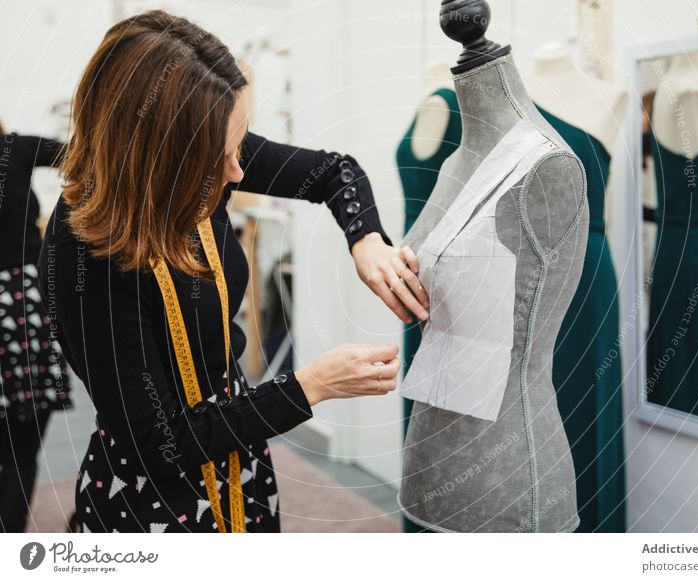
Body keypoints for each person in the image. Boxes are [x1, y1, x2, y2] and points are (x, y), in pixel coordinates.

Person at [39, 10, 428, 533]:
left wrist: (368, 242)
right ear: (154, 157)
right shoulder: (80, 253)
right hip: (151, 495)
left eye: (237, 144)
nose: (237, 173)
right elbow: (159, 442)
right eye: (219, 157)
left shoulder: (205, 158)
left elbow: (335, 172)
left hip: (237, 451)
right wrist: (310, 386)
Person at [0, 118, 74, 532]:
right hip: (21, 309)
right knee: (20, 448)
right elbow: (84, 155)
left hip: (22, 308)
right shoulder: (17, 148)